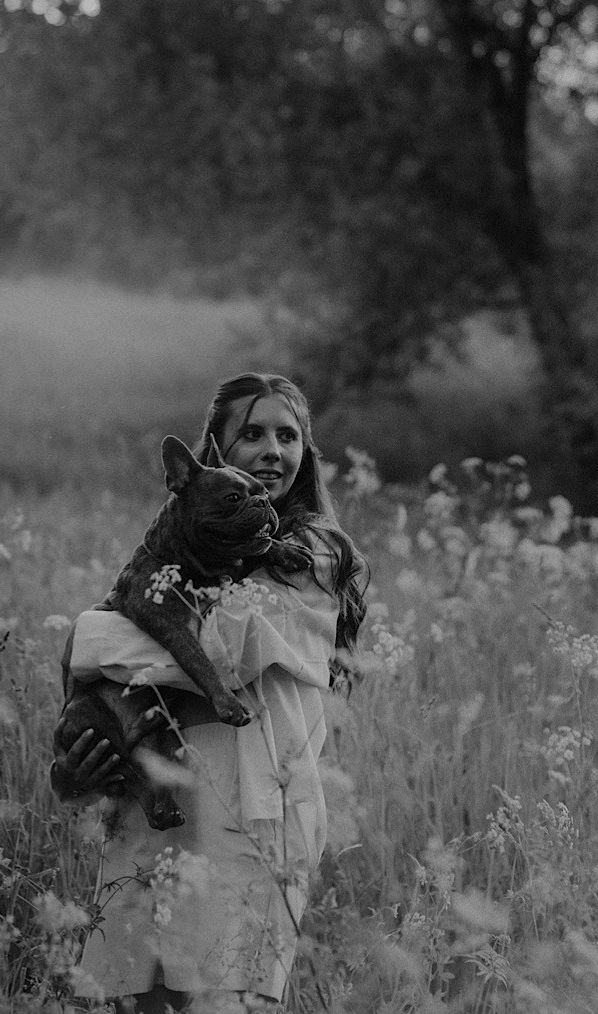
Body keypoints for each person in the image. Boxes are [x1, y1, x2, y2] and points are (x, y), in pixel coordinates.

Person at [51, 373, 368, 1013]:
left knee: (228, 999)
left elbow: (222, 650)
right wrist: (73, 768)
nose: (273, 451)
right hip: (156, 808)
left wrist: (86, 634)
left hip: (247, 819)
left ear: (307, 453)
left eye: (289, 435)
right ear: (216, 453)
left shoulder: (310, 557)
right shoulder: (188, 557)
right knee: (141, 999)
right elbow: (110, 685)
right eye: (252, 433)